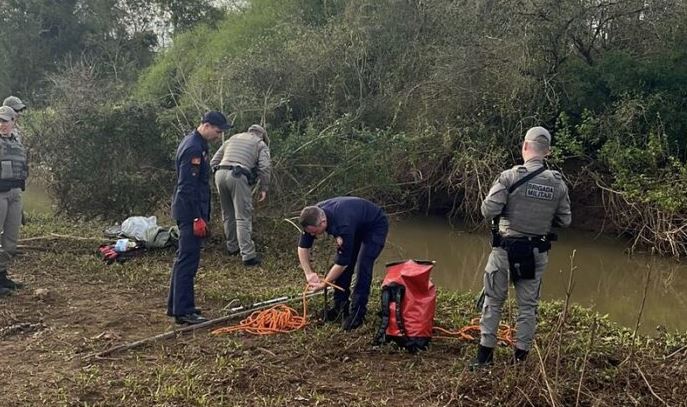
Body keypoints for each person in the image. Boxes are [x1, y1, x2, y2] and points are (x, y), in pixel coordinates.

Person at [472, 126, 571, 367]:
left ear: (524, 147)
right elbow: (565, 220)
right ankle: (520, 360)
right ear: (547, 152)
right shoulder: (558, 184)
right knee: (528, 307)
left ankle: (484, 360)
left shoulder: (509, 177)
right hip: (535, 253)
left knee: (493, 302)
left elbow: (488, 211)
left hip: (504, 250)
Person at [167, 111, 229, 324]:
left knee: (184, 258)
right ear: (207, 125)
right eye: (217, 131)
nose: (218, 136)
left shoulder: (196, 143)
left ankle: (179, 306)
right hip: (189, 211)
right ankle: (184, 311)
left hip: (189, 210)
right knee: (188, 261)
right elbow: (187, 187)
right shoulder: (193, 147)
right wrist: (196, 218)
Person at [298, 196, 389, 331]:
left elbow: (342, 264)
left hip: (374, 226)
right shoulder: (312, 215)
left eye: (314, 232)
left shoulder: (343, 224)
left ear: (323, 222)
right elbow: (303, 247)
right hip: (355, 223)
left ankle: (358, 313)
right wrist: (309, 273)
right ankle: (340, 307)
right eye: (310, 232)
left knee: (362, 265)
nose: (313, 235)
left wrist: (324, 284)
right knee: (344, 261)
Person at [210, 124, 271, 266]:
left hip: (220, 173)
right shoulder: (260, 144)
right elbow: (265, 167)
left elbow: (213, 162)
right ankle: (248, 256)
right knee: (242, 216)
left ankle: (232, 247)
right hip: (238, 175)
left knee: (228, 214)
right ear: (262, 135)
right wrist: (264, 187)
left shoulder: (232, 138)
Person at [0, 106, 27, 296]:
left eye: (5, 120)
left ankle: (2, 276)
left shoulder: (18, 141)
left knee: (10, 241)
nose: (2, 124)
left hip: (15, 193)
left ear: (13, 122)